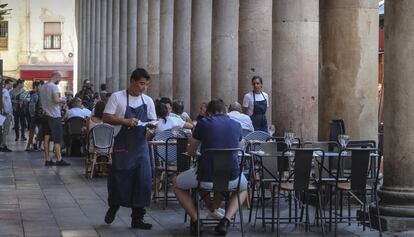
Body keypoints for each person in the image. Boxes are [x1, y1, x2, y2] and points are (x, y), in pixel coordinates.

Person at [173, 99, 248, 236]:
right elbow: (240, 146)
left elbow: (191, 152)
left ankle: (196, 220)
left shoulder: (203, 123)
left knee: (177, 184)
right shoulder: (236, 125)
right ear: (226, 112)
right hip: (230, 175)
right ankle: (226, 219)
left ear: (208, 113)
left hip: (205, 175)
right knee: (243, 188)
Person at [102, 68, 156, 229]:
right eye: (141, 83)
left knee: (143, 181)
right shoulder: (117, 97)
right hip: (122, 146)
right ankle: (114, 206)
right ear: (132, 81)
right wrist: (125, 121)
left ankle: (137, 218)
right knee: (120, 179)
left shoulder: (148, 101)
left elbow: (153, 121)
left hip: (141, 148)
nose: (143, 87)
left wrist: (151, 128)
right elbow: (106, 117)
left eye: (146, 84)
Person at [39, 72, 70, 166]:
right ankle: (59, 159)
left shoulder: (43, 87)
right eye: (59, 79)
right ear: (57, 78)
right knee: (57, 138)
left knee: (46, 138)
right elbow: (56, 100)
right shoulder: (54, 87)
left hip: (45, 115)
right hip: (54, 115)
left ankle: (47, 159)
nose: (59, 81)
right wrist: (64, 100)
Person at [25, 81, 42, 151]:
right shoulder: (35, 95)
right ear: (36, 87)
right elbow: (32, 106)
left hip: (36, 115)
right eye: (40, 86)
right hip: (36, 115)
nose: (41, 88)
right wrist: (33, 115)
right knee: (37, 131)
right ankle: (32, 145)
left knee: (34, 131)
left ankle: (34, 144)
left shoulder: (34, 94)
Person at [0, 79, 14, 152]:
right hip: (6, 113)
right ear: (7, 84)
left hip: (6, 113)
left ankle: (3, 144)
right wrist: (5, 110)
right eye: (11, 84)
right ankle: (3, 145)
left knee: (6, 129)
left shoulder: (5, 91)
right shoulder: (5, 91)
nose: (12, 85)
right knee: (6, 129)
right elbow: (3, 99)